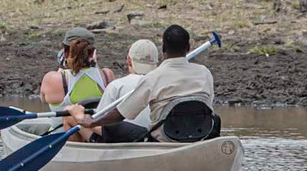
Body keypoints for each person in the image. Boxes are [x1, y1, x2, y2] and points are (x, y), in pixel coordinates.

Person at [77, 24, 217, 143]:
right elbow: (209, 107)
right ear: (188, 47)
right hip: (201, 133)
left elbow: (122, 113)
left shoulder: (153, 77)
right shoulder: (204, 72)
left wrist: (93, 122)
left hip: (163, 138)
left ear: (163, 49)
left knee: (112, 126)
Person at [61, 38, 158, 143]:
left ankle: (79, 156)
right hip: (151, 140)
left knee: (69, 116)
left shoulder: (117, 85)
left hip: (121, 142)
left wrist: (78, 115)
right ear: (156, 62)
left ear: (129, 60)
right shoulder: (163, 84)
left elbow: (99, 124)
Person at [39, 27, 115, 110]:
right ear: (93, 53)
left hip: (64, 123)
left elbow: (44, 100)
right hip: (96, 122)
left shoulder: (52, 78)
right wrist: (94, 64)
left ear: (65, 52)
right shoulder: (107, 75)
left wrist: (62, 67)